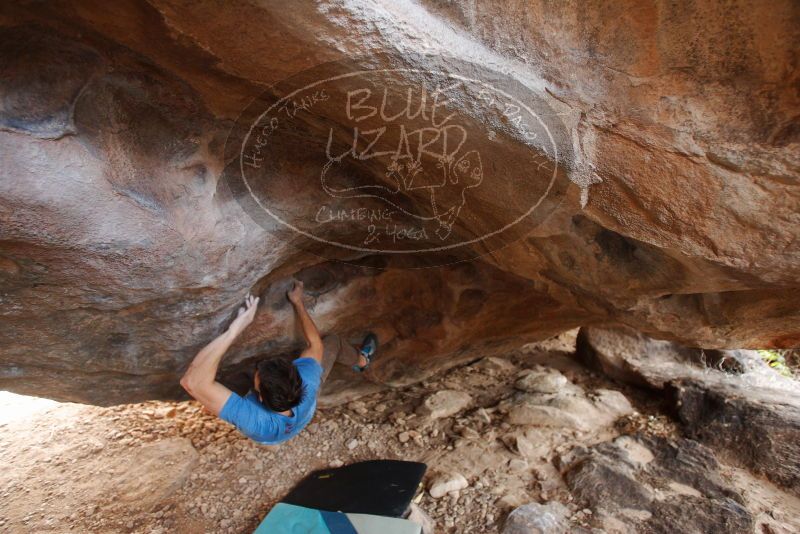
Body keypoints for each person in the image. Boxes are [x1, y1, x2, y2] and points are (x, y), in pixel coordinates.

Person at [180, 281, 377, 444]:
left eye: (257, 378)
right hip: (301, 414)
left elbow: (191, 382)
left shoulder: (255, 420)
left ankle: (360, 361)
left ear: (259, 399)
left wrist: (235, 329)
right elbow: (315, 342)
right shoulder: (308, 380)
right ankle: (360, 361)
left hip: (270, 434)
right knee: (332, 342)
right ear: (297, 379)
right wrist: (298, 302)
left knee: (218, 381)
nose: (259, 367)